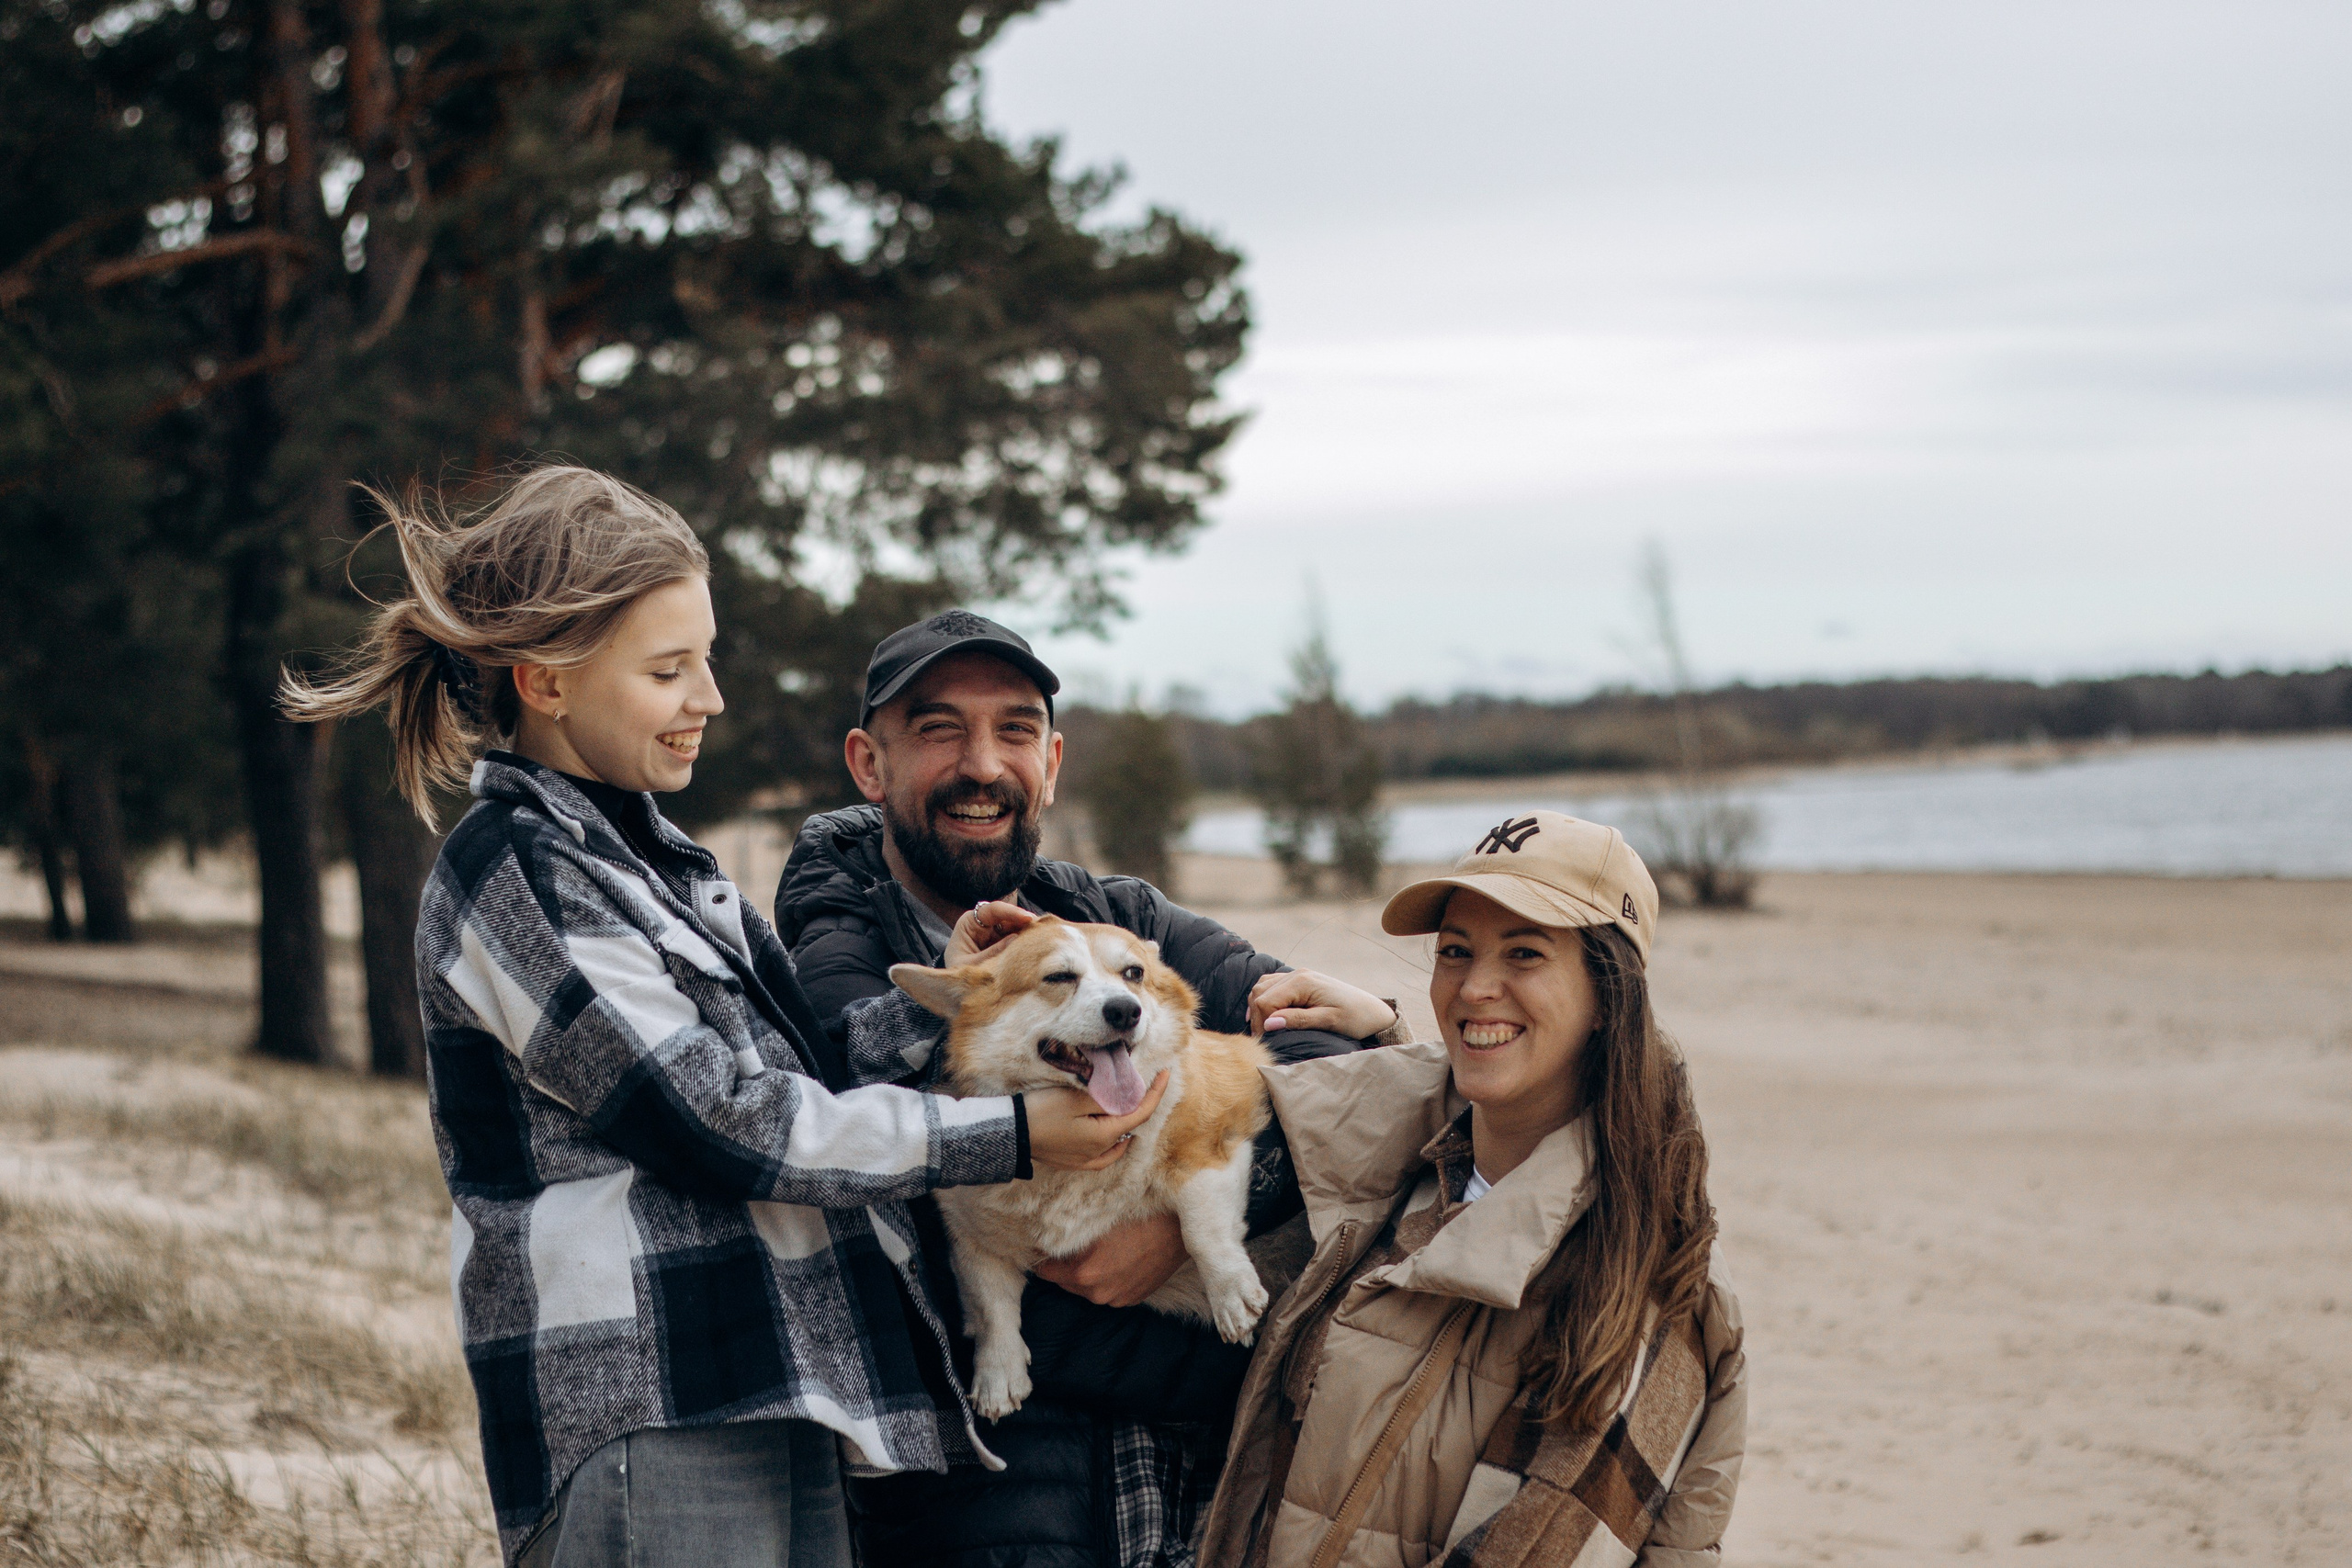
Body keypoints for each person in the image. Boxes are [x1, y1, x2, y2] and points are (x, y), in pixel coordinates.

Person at [280, 468, 1164, 1568]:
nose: (711, 697)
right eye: (668, 669)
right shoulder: (520, 871)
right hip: (652, 1406)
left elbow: (813, 1073)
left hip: (772, 1389)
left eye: (706, 658)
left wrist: (962, 1005)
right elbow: (723, 1120)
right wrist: (1014, 1136)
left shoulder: (659, 864)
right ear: (546, 681)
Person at [772, 610, 1408, 1568]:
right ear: (870, 764)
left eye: (1016, 730)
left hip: (1200, 1497)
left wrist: (1180, 1227)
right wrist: (1234, 1366)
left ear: (1053, 761)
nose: (983, 764)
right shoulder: (834, 964)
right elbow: (910, 1255)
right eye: (939, 728)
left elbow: (1324, 1067)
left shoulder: (1126, 920)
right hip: (990, 1513)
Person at [1199, 810, 1747, 1568]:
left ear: (1607, 995)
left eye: (1524, 953)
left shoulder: (1643, 1279)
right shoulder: (1407, 1177)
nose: (1474, 987)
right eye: (1455, 951)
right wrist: (1377, 1041)